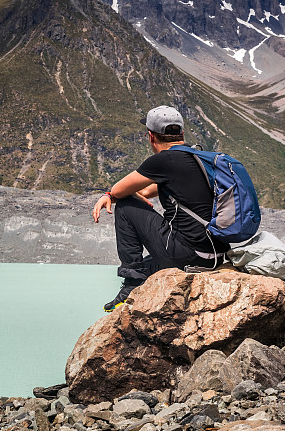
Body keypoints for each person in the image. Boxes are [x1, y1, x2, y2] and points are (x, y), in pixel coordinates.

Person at [92, 105, 230, 312]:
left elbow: (120, 190)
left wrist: (108, 195)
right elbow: (146, 192)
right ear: (182, 133)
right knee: (147, 267)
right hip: (216, 255)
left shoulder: (163, 161)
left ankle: (130, 286)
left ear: (151, 136)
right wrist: (126, 193)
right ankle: (135, 285)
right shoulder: (200, 158)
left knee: (125, 206)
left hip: (189, 255)